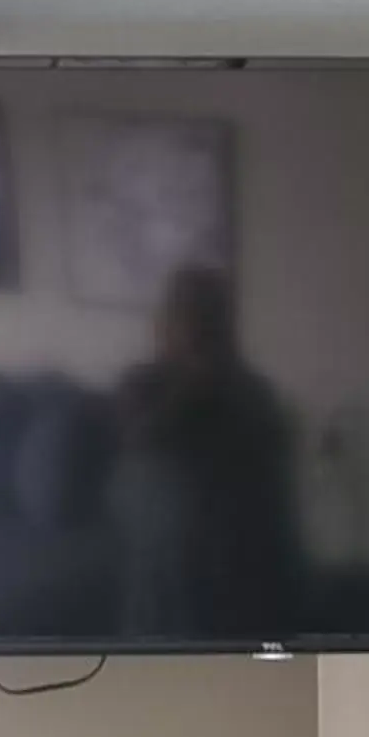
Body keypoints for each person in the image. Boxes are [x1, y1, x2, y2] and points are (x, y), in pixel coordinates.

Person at [111, 269, 299, 640]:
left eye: (204, 320)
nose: (192, 331)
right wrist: (193, 385)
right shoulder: (142, 383)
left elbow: (275, 495)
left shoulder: (250, 393)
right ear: (167, 322)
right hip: (161, 570)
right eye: (183, 317)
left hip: (236, 568)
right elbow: (138, 443)